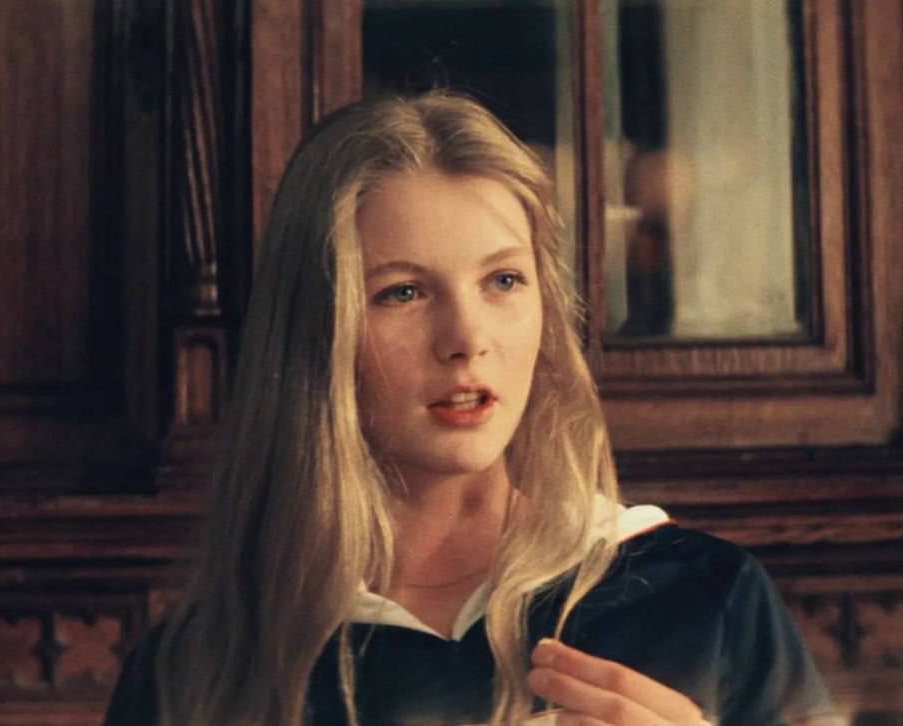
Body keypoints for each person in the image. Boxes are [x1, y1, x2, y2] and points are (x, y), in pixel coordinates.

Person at [104, 92, 841, 725]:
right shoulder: (192, 665)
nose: (466, 339)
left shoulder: (704, 596)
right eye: (402, 292)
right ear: (315, 331)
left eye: (504, 281)